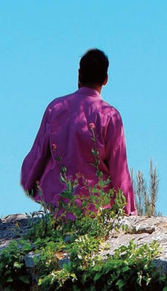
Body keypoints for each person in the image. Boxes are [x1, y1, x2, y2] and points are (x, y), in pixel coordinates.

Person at [21, 47, 136, 217]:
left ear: (79, 74)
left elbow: (38, 156)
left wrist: (30, 184)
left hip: (60, 205)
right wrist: (129, 211)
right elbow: (119, 170)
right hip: (97, 208)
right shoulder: (110, 116)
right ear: (105, 79)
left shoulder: (56, 108)